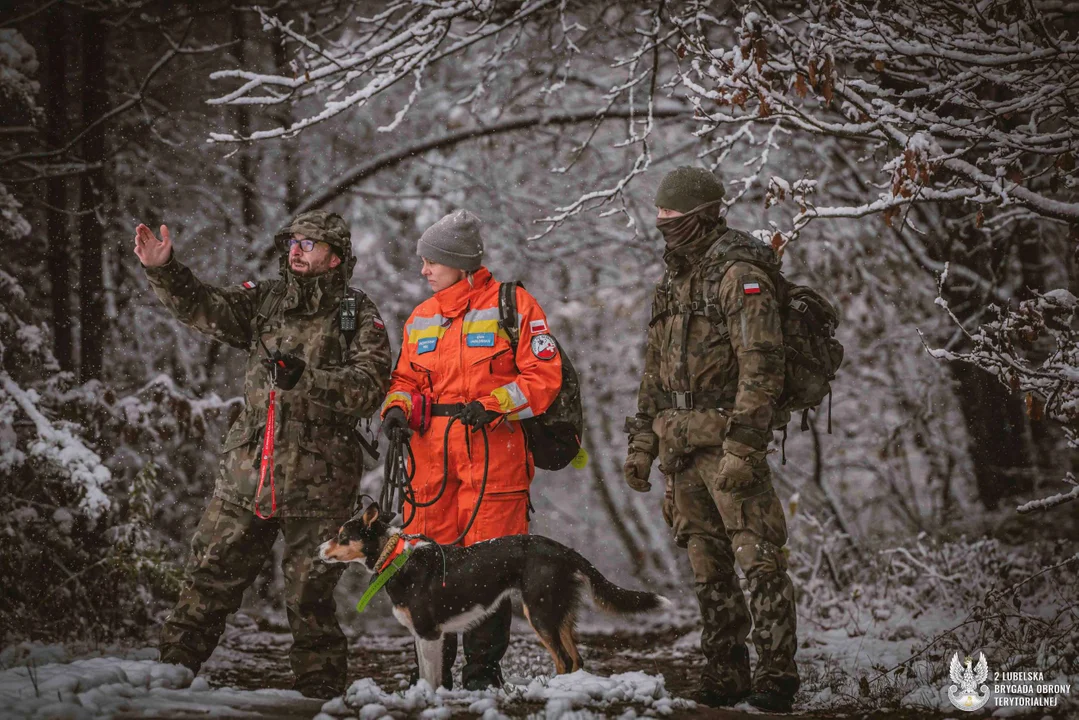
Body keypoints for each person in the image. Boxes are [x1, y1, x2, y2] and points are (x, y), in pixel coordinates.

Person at [134, 210, 392, 699]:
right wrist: (165, 270)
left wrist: (309, 379)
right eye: (292, 241)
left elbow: (369, 389)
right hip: (248, 474)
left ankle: (320, 701)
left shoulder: (357, 314)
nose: (295, 250)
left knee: (308, 603)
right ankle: (165, 684)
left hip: (321, 484)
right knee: (207, 581)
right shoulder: (266, 302)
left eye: (308, 244)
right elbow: (204, 306)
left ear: (333, 256)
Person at [622, 167, 799, 712]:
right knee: (708, 569)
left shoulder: (739, 273)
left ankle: (776, 676)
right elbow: (654, 374)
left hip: (727, 444)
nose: (664, 226)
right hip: (679, 448)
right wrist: (641, 444)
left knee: (759, 560)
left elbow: (761, 365)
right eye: (660, 218)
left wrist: (745, 445)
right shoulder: (672, 282)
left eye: (673, 218)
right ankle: (726, 673)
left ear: (703, 215)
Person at [379, 209, 563, 690]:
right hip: (429, 463)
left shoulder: (514, 306)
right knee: (429, 566)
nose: (424, 270)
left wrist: (496, 404)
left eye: (432, 261)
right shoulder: (421, 316)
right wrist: (397, 409)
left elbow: (544, 378)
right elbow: (404, 379)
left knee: (489, 567)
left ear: (459, 263)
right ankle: (431, 677)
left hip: (493, 457)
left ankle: (483, 676)